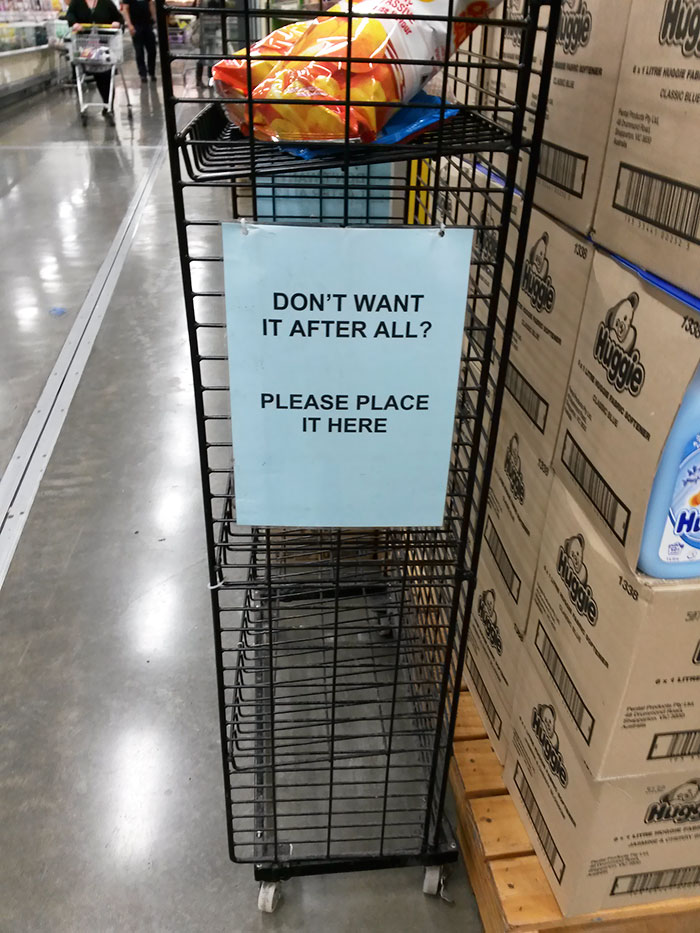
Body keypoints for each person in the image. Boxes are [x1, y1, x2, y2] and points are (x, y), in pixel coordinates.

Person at [66, 0, 123, 114]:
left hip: (105, 44)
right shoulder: (77, 3)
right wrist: (74, 24)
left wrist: (117, 23)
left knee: (106, 75)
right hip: (85, 46)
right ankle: (106, 103)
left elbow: (119, 18)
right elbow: (70, 15)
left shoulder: (106, 3)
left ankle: (108, 103)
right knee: (97, 74)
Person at [121, 0, 157, 83]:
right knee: (139, 51)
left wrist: (155, 19)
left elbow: (151, 4)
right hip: (136, 25)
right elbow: (125, 9)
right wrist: (129, 25)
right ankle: (143, 74)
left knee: (152, 50)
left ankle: (152, 72)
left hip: (148, 25)